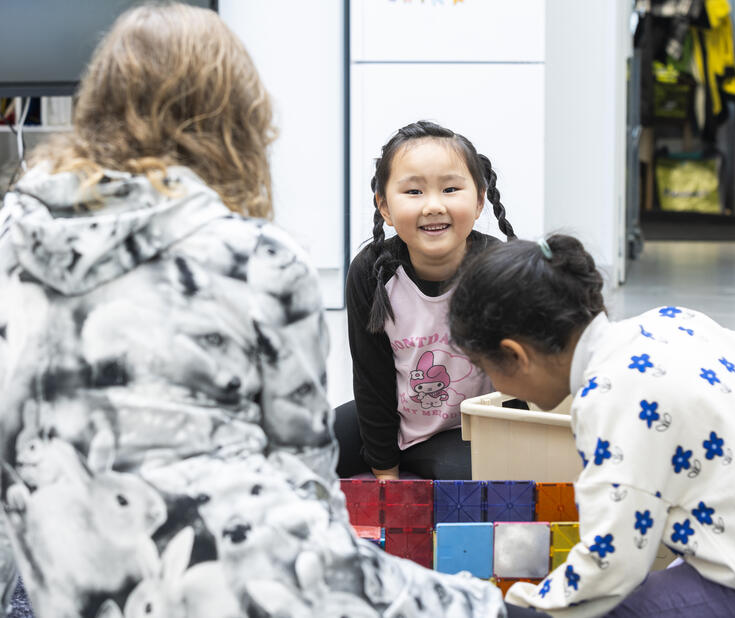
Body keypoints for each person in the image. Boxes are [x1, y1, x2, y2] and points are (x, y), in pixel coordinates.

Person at [0, 5, 515, 617]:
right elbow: (300, 486)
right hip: (224, 578)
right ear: (237, 118)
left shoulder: (12, 238)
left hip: (58, 574)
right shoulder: (261, 260)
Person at [448, 234, 735, 618]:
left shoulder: (609, 399)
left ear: (516, 355)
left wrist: (523, 607)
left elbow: (611, 566)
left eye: (486, 368)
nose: (493, 383)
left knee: (603, 611)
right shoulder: (668, 321)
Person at [334, 120, 516, 480]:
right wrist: (386, 474)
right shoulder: (372, 272)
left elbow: (518, 382)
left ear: (479, 200)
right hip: (398, 411)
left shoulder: (497, 269)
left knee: (475, 483)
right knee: (298, 452)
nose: (433, 206)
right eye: (414, 192)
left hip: (465, 430)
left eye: (450, 189)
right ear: (384, 207)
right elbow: (372, 381)